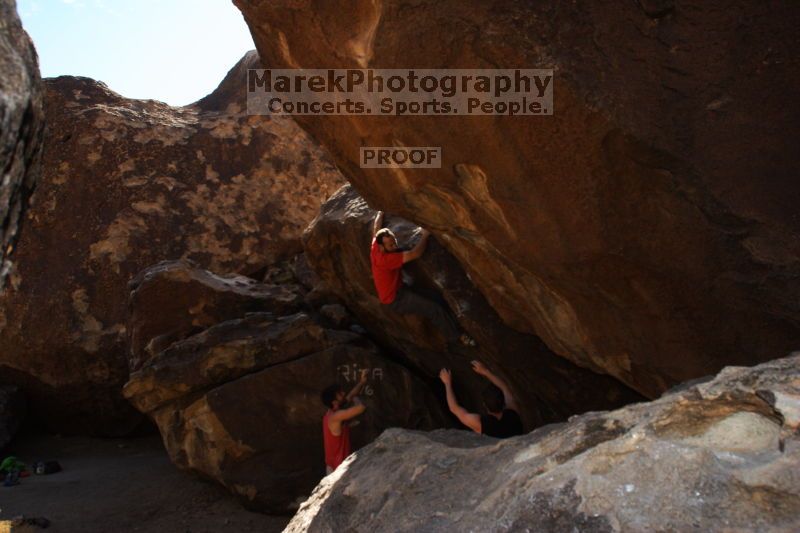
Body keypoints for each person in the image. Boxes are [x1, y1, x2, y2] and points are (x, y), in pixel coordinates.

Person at [370, 210, 475, 348]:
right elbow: (415, 253)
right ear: (382, 248)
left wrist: (380, 213)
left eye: (394, 241)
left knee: (436, 297)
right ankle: (457, 337)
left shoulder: (375, 246)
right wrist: (424, 235)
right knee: (433, 308)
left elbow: (376, 228)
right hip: (396, 300)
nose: (395, 246)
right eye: (391, 245)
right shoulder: (387, 259)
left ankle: (451, 322)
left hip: (400, 290)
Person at [438, 360, 524, 438]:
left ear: (484, 404)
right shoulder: (513, 412)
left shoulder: (480, 424)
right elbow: (504, 388)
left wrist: (447, 383)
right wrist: (485, 371)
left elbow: (454, 408)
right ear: (503, 403)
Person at [321, 369, 369, 474]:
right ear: (334, 402)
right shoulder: (335, 417)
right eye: (339, 393)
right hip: (337, 470)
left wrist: (362, 382)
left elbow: (350, 395)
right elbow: (361, 407)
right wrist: (356, 397)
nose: (343, 393)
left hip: (336, 465)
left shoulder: (332, 411)